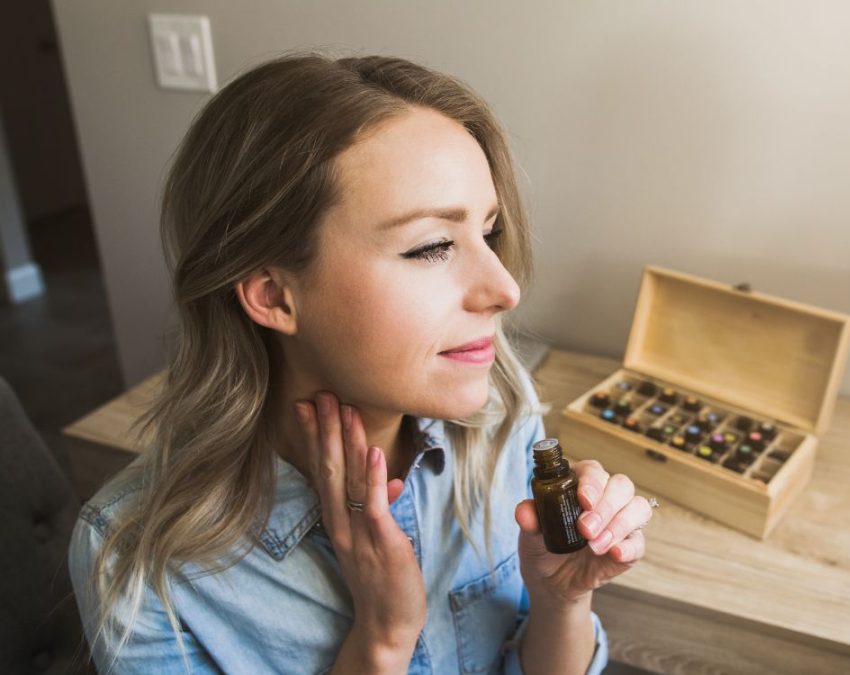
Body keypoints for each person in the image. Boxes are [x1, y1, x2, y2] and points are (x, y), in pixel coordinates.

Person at [68, 52, 655, 674]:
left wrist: (561, 601)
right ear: (272, 294)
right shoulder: (137, 561)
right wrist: (381, 639)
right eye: (432, 246)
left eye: (489, 233)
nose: (505, 288)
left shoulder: (506, 427)